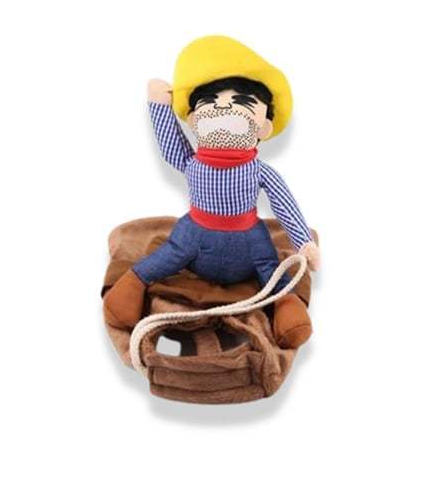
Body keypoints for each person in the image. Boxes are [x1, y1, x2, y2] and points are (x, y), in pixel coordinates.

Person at [104, 36, 320, 349]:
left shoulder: (259, 171)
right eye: (211, 101)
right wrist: (159, 106)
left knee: (270, 268)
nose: (223, 106)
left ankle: (287, 304)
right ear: (193, 120)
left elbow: (283, 202)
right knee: (167, 255)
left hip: (249, 242)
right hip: (193, 239)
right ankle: (135, 282)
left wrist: (303, 242)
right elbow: (170, 147)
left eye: (241, 102)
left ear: (264, 128)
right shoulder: (192, 162)